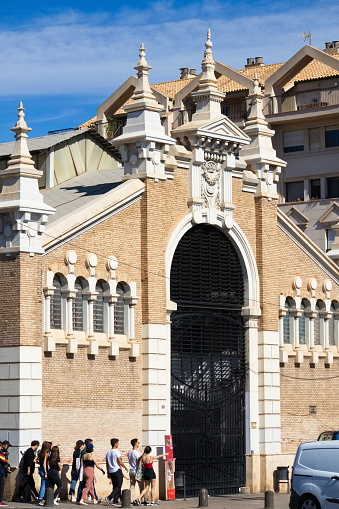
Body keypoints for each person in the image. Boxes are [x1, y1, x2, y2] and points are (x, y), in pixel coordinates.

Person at [105, 438, 128, 506]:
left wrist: (108, 472)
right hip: (117, 470)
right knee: (118, 486)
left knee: (115, 486)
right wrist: (125, 467)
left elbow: (107, 464)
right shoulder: (116, 452)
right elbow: (120, 462)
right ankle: (109, 497)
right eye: (117, 443)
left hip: (111, 471)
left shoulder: (108, 453)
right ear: (115, 444)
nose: (118, 444)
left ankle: (115, 500)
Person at [37, 441, 52, 506]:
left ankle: (42, 498)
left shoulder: (40, 453)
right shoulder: (46, 454)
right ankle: (40, 498)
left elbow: (34, 460)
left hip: (41, 468)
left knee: (44, 483)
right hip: (44, 469)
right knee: (44, 484)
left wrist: (39, 464)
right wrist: (45, 472)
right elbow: (44, 463)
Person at [0, 442, 10, 507]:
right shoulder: (0, 453)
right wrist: (7, 466)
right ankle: (0, 501)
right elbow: (3, 461)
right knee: (1, 487)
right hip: (0, 472)